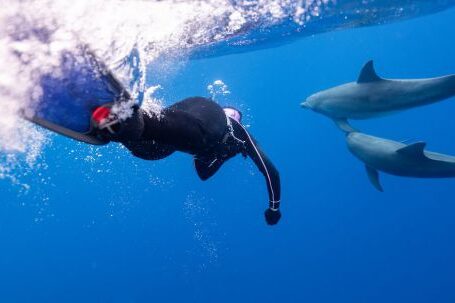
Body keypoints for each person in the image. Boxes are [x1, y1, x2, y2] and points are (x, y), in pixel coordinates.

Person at [91, 97, 282, 225]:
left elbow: (203, 174)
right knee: (186, 135)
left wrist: (222, 157)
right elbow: (271, 172)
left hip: (192, 108)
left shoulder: (223, 147)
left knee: (151, 150)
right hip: (207, 120)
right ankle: (124, 115)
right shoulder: (239, 132)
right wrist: (274, 208)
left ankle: (116, 126)